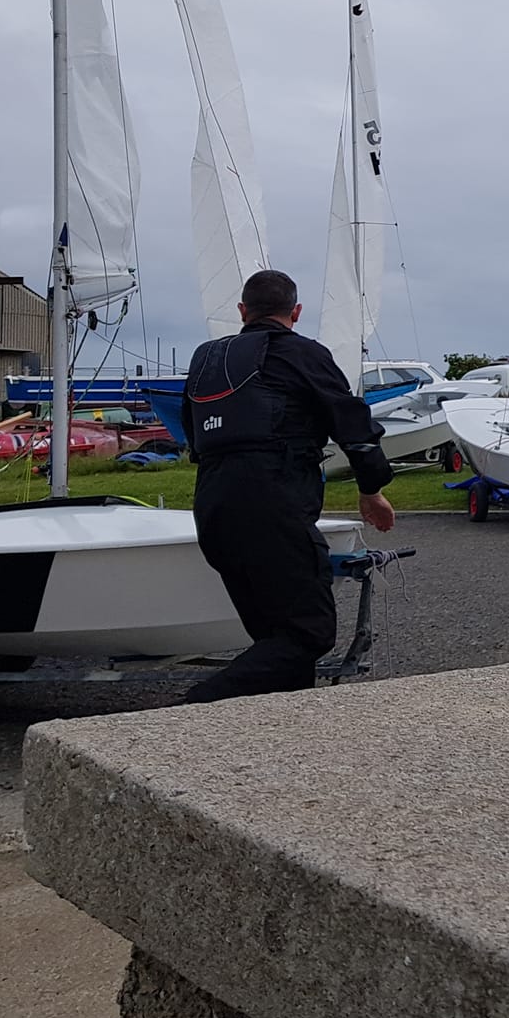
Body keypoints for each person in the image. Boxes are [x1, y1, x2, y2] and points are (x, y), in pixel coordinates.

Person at [181, 269, 396, 703]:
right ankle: (194, 706)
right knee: (308, 634)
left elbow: (192, 433)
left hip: (212, 504)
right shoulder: (304, 353)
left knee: (272, 636)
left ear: (243, 311)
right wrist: (371, 487)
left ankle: (285, 727)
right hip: (272, 502)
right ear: (295, 312)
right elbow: (350, 421)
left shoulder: (206, 358)